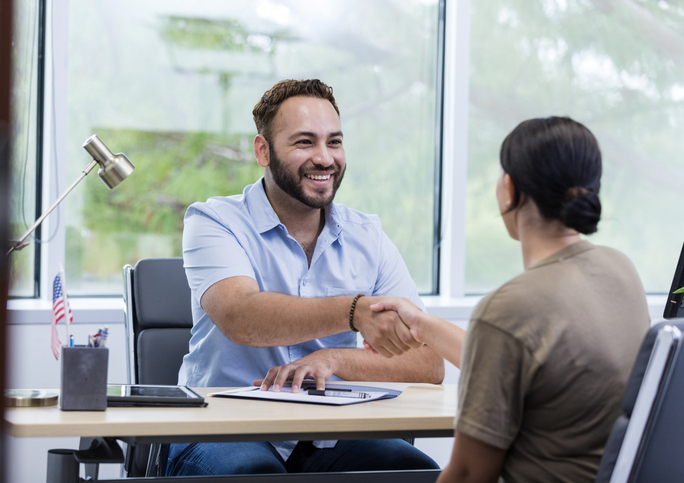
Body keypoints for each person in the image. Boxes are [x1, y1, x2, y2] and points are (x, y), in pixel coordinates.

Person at [166, 79, 444, 476]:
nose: (324, 158)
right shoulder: (214, 221)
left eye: (334, 142)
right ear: (263, 150)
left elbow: (428, 361)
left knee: (413, 471)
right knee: (253, 474)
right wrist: (354, 312)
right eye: (304, 142)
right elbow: (241, 316)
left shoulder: (367, 236)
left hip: (332, 434)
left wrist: (333, 359)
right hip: (224, 430)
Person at [371, 117, 650, 482]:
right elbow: (528, 359)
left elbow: (470, 474)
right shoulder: (621, 270)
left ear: (509, 190)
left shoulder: (510, 309)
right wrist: (422, 325)